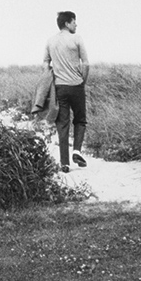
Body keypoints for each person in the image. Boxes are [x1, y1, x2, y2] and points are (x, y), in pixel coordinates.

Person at [43, 10, 89, 172]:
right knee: (80, 120)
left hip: (60, 87)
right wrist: (82, 81)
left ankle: (65, 163)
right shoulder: (76, 38)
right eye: (74, 21)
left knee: (62, 124)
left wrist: (51, 79)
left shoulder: (50, 41)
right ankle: (76, 150)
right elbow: (86, 64)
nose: (76, 24)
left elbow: (45, 64)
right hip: (76, 85)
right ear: (67, 23)